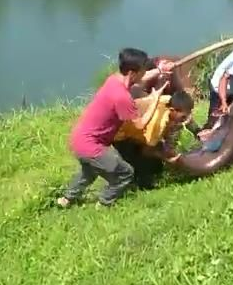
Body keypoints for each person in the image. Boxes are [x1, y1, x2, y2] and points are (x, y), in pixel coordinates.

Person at [57, 48, 168, 208]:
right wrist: (155, 100)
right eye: (144, 69)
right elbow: (140, 125)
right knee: (125, 173)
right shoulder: (122, 98)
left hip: (78, 139)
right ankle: (104, 203)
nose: (145, 72)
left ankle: (66, 199)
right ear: (132, 72)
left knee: (89, 172)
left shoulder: (114, 80)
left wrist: (159, 70)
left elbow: (140, 80)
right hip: (91, 145)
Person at [114, 90, 195, 189]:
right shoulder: (157, 125)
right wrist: (167, 159)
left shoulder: (168, 100)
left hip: (137, 128)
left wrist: (169, 151)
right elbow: (146, 151)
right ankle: (139, 186)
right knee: (142, 164)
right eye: (183, 117)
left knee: (157, 162)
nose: (186, 119)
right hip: (120, 134)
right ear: (173, 110)